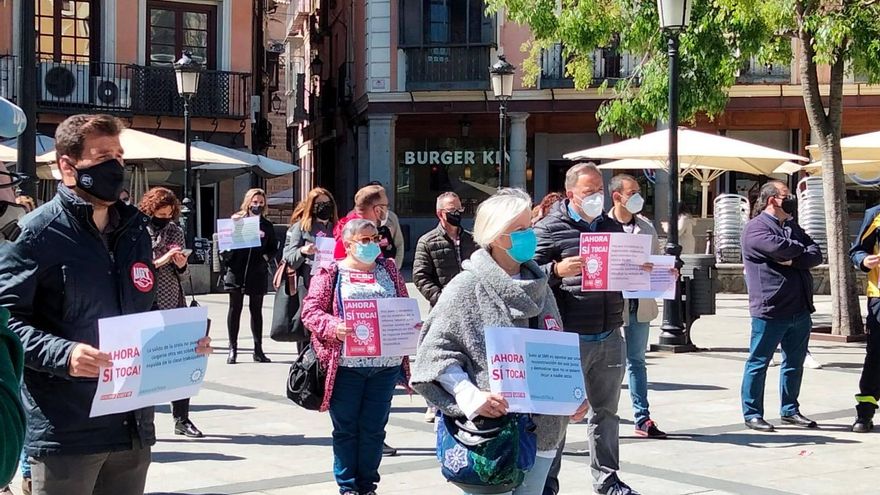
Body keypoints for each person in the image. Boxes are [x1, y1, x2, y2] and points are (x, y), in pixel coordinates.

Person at [0, 114, 211, 495]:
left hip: (132, 427)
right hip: (67, 430)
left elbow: (143, 312)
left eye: (119, 155)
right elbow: (7, 322)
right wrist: (63, 354)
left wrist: (182, 345)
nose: (115, 166)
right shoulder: (34, 234)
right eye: (101, 156)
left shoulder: (135, 232)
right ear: (67, 165)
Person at [411, 188, 587, 495]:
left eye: (529, 227)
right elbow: (433, 353)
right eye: (518, 230)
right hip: (490, 434)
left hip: (543, 432)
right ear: (495, 236)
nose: (528, 236)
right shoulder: (466, 287)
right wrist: (468, 395)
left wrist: (571, 393)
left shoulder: (540, 287)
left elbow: (554, 347)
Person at [534, 163, 640, 495]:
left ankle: (608, 480)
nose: (596, 196)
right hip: (569, 338)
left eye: (599, 190)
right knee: (559, 417)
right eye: (588, 191)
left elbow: (626, 269)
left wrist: (646, 271)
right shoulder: (550, 228)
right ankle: (548, 484)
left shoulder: (611, 226)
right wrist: (555, 269)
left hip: (609, 332)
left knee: (606, 413)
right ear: (570, 194)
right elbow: (527, 275)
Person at [301, 219, 412, 495]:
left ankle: (368, 485)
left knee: (374, 430)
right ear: (348, 244)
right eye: (364, 240)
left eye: (375, 238)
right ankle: (348, 486)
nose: (372, 244)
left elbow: (404, 303)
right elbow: (310, 312)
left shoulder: (388, 270)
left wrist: (411, 323)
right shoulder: (330, 273)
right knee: (347, 430)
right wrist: (333, 327)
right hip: (346, 368)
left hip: (384, 367)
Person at [740, 180, 822, 433]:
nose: (791, 200)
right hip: (771, 308)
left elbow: (816, 253)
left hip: (800, 307)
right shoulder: (755, 229)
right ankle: (752, 413)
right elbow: (780, 248)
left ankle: (790, 409)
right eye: (786, 195)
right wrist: (799, 254)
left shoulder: (791, 226)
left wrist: (795, 259)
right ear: (772, 199)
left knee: (794, 362)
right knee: (759, 362)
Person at [138, 187, 205, 438]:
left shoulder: (175, 230)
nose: (164, 217)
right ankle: (141, 420)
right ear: (149, 209)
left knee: (180, 359)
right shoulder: (137, 229)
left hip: (171, 298)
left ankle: (182, 418)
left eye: (169, 213)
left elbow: (183, 274)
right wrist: (161, 260)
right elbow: (136, 266)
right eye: (160, 212)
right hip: (143, 299)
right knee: (144, 361)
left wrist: (181, 263)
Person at [608, 174, 666, 438]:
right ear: (617, 196)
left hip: (639, 303)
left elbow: (657, 260)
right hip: (610, 306)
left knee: (637, 361)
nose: (638, 197)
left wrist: (664, 272)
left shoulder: (646, 227)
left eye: (638, 191)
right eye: (632, 193)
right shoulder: (603, 226)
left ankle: (642, 417)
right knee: (605, 363)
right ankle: (601, 414)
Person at [412, 191, 477, 423]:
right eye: (452, 210)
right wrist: (441, 298)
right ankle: (434, 402)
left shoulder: (473, 239)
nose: (458, 213)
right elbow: (420, 276)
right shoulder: (428, 241)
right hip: (442, 308)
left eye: (460, 209)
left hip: (472, 308)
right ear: (440, 213)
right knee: (439, 355)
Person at [221, 188, 279, 364]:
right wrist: (233, 227)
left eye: (261, 203)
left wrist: (265, 258)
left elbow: (273, 248)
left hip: (257, 271)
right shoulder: (237, 220)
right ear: (248, 202)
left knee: (256, 310)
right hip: (236, 271)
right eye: (255, 202)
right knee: (235, 308)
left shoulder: (267, 225)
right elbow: (224, 245)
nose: (257, 206)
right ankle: (233, 349)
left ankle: (258, 349)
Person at [281, 187, 339, 349]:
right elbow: (289, 257)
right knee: (307, 330)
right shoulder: (301, 227)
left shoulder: (337, 228)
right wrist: (303, 251)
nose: (323, 206)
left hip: (333, 284)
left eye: (327, 203)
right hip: (308, 284)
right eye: (319, 203)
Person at [849, 202, 880, 433]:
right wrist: (864, 260)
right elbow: (857, 250)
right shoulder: (875, 214)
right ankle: (865, 413)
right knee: (876, 356)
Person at [333, 185, 393, 263]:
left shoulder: (348, 227)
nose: (387, 209)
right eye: (386, 206)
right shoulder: (354, 232)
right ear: (378, 210)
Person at [365, 181, 405, 269]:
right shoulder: (356, 218)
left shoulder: (391, 217)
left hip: (389, 266)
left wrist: (396, 267)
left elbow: (399, 244)